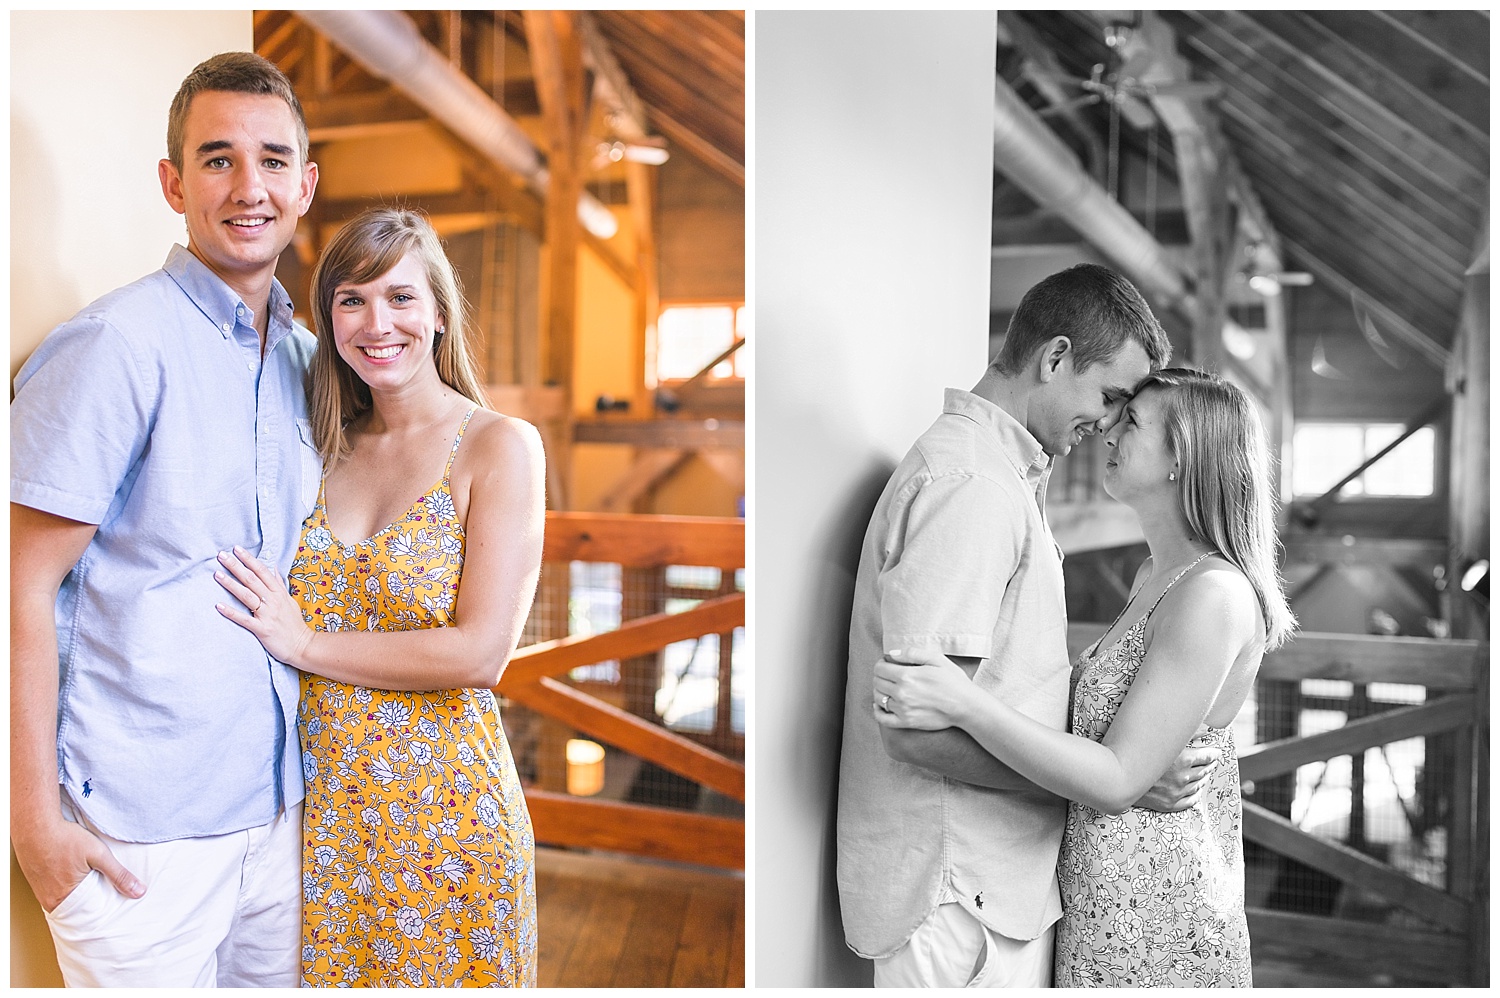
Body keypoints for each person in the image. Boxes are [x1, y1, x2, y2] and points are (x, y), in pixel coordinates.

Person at [11, 52, 319, 987]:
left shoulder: (310, 360)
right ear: (173, 183)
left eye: (272, 160)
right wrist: (35, 831)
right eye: (217, 158)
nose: (248, 186)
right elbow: (18, 588)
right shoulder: (116, 344)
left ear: (306, 185)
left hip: (278, 821)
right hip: (140, 841)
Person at [836, 263, 1215, 988]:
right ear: (1054, 358)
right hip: (955, 896)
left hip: (987, 887)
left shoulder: (1002, 478)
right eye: (1108, 396)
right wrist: (1113, 783)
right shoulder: (972, 486)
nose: (1106, 423)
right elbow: (919, 732)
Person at [875, 368, 1296, 987]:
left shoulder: (1214, 595)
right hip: (1098, 900)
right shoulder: (1154, 576)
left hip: (1157, 918)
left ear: (1184, 454)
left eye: (1133, 423)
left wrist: (964, 702)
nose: (1109, 432)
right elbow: (1114, 747)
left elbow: (1121, 777)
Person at [212, 206, 545, 987]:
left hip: (448, 818)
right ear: (329, 321)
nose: (377, 321)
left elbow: (481, 652)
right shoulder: (321, 446)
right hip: (325, 822)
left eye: (400, 297)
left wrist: (307, 646)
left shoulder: (498, 445)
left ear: (436, 314)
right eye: (351, 300)